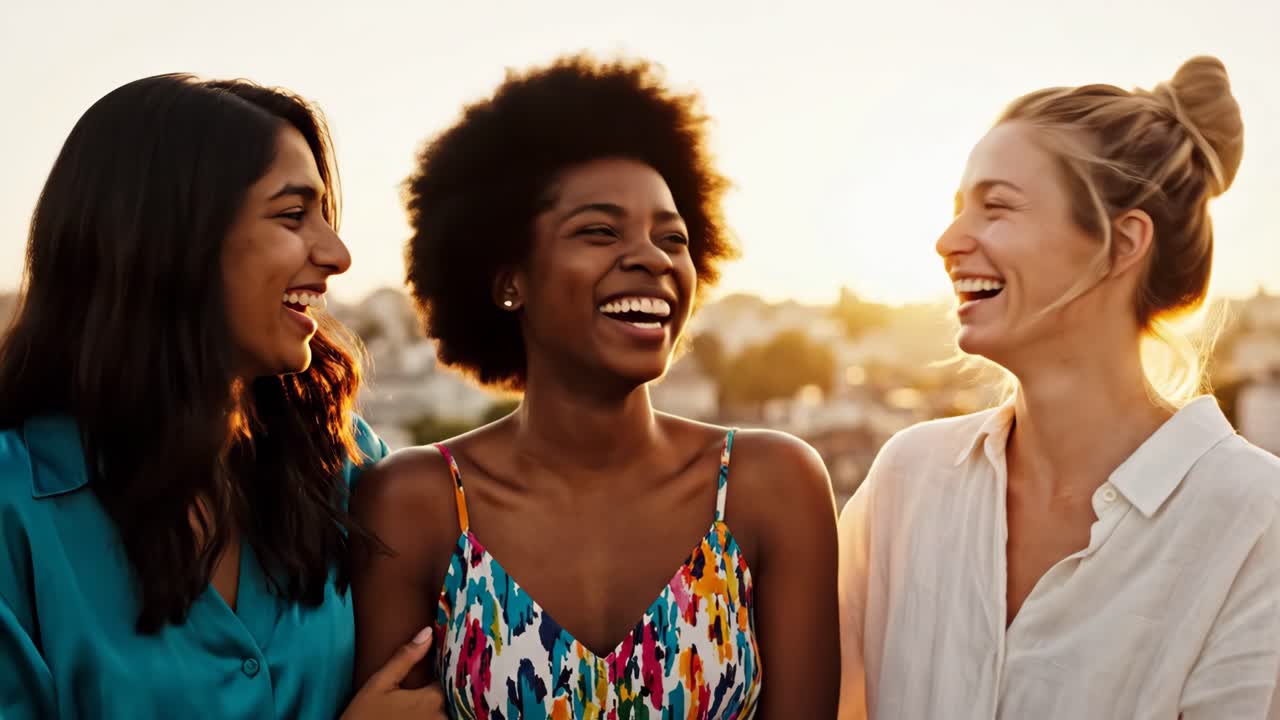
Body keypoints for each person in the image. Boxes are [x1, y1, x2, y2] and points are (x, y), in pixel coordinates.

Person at [351, 54, 841, 719]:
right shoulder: (416, 502)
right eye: (599, 231)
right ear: (508, 281)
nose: (652, 258)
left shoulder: (772, 484)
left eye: (674, 237)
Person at [837, 56, 1280, 719]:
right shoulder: (908, 479)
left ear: (1121, 243)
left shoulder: (1255, 521)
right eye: (959, 209)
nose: (948, 241)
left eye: (996, 207)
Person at [0, 74, 440, 719]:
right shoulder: (15, 505)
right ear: (169, 239)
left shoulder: (343, 463)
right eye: (293, 215)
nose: (338, 253)